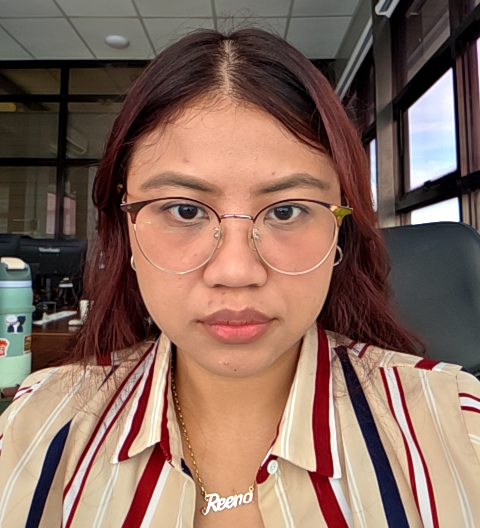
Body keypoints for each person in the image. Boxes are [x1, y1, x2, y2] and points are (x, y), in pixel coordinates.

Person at [0, 29, 479, 528]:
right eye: (184, 210)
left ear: (339, 231)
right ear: (128, 231)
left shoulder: (461, 430)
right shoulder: (35, 428)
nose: (236, 272)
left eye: (287, 210)